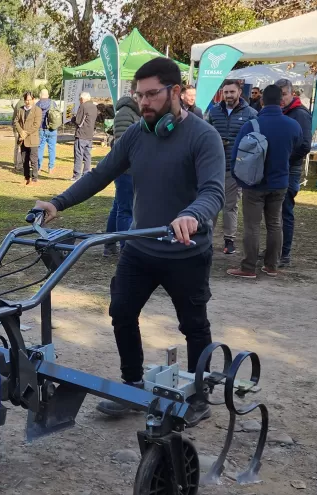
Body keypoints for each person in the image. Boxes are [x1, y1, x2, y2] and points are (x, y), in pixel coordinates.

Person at [31, 57, 225, 420]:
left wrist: (191, 215)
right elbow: (100, 175)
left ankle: (199, 398)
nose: (144, 103)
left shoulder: (204, 136)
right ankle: (131, 386)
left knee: (194, 324)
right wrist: (58, 203)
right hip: (140, 248)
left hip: (186, 252)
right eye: (139, 96)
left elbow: (213, 192)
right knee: (121, 312)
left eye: (152, 94)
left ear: (177, 92)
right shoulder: (136, 134)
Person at [226, 85, 303, 279]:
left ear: (262, 101)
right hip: (280, 183)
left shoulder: (251, 124)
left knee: (252, 225)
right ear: (281, 101)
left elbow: (236, 155)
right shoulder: (293, 125)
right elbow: (298, 148)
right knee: (275, 224)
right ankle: (271, 266)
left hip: (254, 183)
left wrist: (239, 179)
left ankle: (248, 267)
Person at [207, 79, 258, 255]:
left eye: (232, 92)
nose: (228, 95)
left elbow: (254, 140)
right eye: (226, 92)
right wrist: (215, 143)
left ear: (239, 92)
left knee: (230, 206)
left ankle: (229, 240)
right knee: (210, 204)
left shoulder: (251, 114)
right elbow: (206, 135)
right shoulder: (213, 112)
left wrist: (236, 145)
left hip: (235, 167)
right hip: (213, 167)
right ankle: (207, 239)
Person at [276, 78, 313, 266]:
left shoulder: (300, 114)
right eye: (278, 95)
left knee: (286, 211)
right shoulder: (279, 112)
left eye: (284, 94)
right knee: (274, 212)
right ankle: (275, 249)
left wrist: (283, 158)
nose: (281, 98)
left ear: (292, 93)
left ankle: (284, 254)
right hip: (276, 168)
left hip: (290, 169)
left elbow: (305, 145)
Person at [103, 86, 139, 258]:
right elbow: (123, 147)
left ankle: (109, 244)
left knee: (119, 206)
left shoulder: (136, 112)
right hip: (126, 170)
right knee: (126, 210)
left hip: (131, 170)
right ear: (133, 93)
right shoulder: (126, 113)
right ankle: (126, 248)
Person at [13, 92, 42, 186]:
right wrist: (21, 132)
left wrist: (26, 133)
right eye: (26, 100)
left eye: (29, 99)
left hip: (32, 139)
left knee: (33, 160)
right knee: (24, 160)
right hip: (23, 139)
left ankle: (34, 179)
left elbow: (36, 125)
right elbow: (16, 121)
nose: (28, 102)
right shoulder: (21, 110)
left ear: (33, 99)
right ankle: (26, 178)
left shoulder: (37, 110)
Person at [71, 92, 98, 181]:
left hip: (81, 134)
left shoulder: (83, 106)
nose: (79, 101)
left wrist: (73, 119)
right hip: (90, 135)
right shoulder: (94, 107)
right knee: (87, 156)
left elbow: (79, 121)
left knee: (78, 155)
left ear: (82, 99)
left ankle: (76, 175)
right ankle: (86, 174)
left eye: (80, 99)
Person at [36, 89, 59, 175]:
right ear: (48, 95)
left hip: (41, 129)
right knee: (52, 149)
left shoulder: (37, 104)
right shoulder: (53, 103)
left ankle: (38, 167)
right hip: (52, 129)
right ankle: (51, 168)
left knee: (40, 148)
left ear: (40, 95)